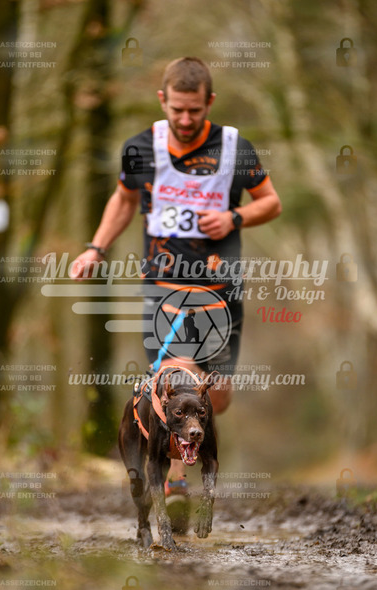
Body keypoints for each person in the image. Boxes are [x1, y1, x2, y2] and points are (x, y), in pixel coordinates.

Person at [71, 57, 281, 526]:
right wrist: (96, 247)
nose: (185, 119)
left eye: (195, 110)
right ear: (162, 100)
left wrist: (234, 217)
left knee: (216, 395)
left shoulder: (234, 148)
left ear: (210, 102)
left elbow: (271, 202)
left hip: (220, 289)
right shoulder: (140, 148)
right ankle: (177, 483)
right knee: (176, 377)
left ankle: (190, 446)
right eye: (177, 109)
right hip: (163, 288)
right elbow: (124, 199)